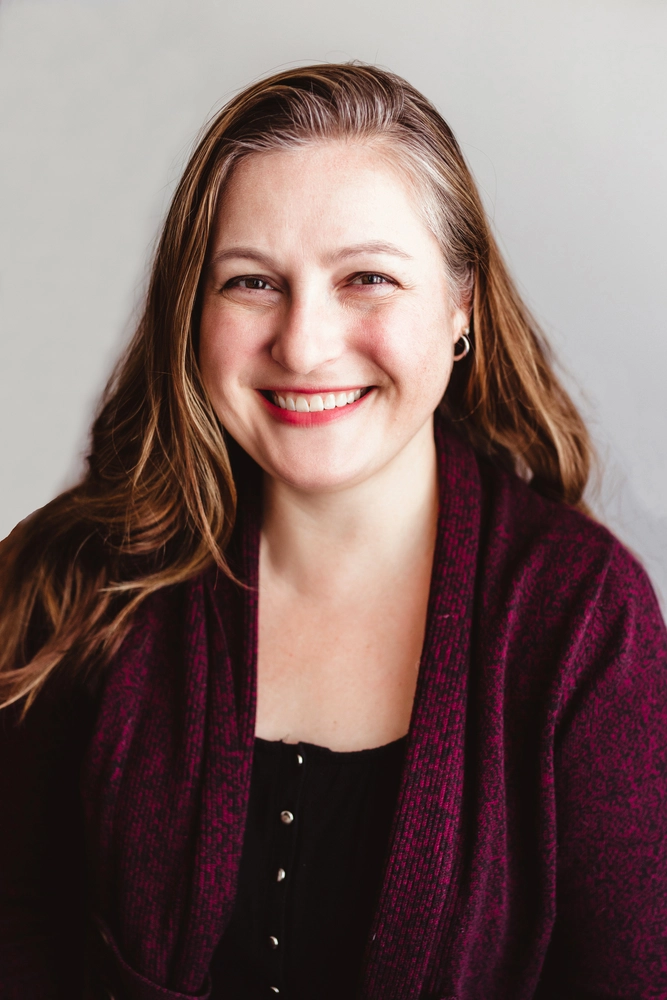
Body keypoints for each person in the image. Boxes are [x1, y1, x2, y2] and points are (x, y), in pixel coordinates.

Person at [0, 62, 665, 1000]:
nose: (304, 342)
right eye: (252, 282)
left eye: (366, 277)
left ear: (460, 302)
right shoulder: (73, 577)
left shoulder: (584, 621)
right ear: (192, 310)